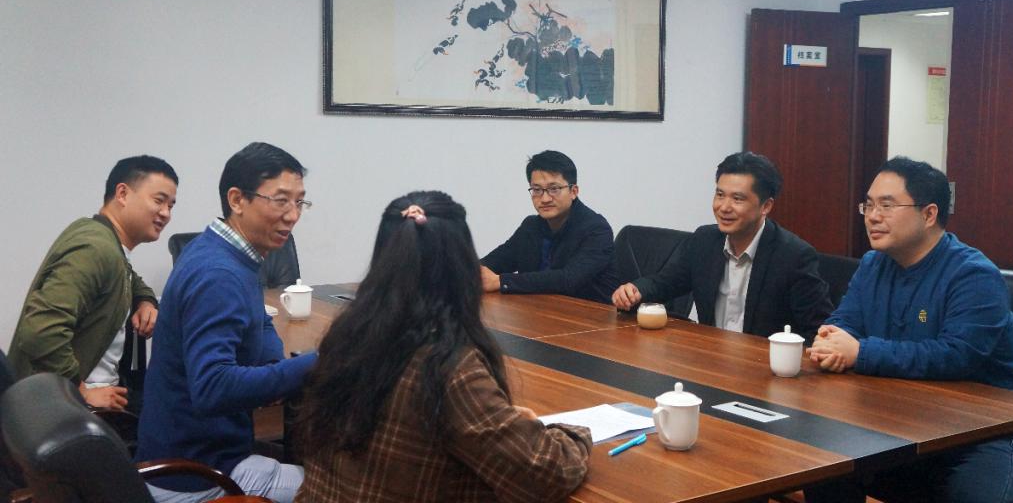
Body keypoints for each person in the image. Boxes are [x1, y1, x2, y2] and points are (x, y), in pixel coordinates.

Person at [295, 191, 592, 503]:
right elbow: (546, 474)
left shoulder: (347, 335)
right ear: (462, 264)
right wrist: (571, 433)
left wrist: (497, 417)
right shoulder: (448, 366)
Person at [805, 157, 1013, 503]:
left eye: (887, 205)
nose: (872, 216)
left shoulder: (974, 274)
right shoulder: (873, 264)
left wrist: (860, 352)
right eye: (868, 205)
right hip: (897, 419)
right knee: (822, 466)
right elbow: (844, 322)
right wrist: (830, 340)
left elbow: (956, 355)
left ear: (929, 214)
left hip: (979, 432)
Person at [137, 142, 317, 503]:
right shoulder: (218, 274)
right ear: (237, 200)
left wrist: (276, 366)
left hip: (201, 454)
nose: (293, 215)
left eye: (300, 202)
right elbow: (213, 388)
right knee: (342, 489)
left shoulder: (226, 253)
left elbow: (261, 325)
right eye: (281, 200)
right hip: (195, 476)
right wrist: (316, 362)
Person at [9, 155, 177, 411]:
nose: (165, 213)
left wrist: (145, 300)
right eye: (159, 200)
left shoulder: (106, 241)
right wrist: (78, 391)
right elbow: (41, 329)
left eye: (171, 205)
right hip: (67, 411)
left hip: (80, 401)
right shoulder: (95, 249)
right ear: (122, 194)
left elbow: (129, 276)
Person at [612, 151, 832, 340]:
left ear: (766, 206)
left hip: (763, 366)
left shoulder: (793, 256)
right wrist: (636, 290)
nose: (724, 207)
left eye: (738, 199)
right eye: (719, 195)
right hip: (712, 357)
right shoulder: (705, 240)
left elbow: (819, 331)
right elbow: (665, 282)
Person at [480, 150, 618, 303]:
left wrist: (501, 281)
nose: (545, 198)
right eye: (537, 190)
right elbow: (496, 261)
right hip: (538, 310)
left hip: (590, 314)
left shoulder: (597, 229)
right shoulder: (530, 226)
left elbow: (568, 279)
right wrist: (473, 272)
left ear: (573, 191)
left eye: (554, 189)